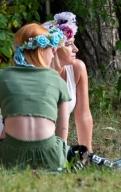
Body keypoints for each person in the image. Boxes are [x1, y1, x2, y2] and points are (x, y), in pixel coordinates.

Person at [0, 23, 70, 170]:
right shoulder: (57, 80)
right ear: (41, 50)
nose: (54, 52)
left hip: (9, 157)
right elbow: (62, 131)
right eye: (51, 48)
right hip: (51, 156)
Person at [44, 12, 93, 152]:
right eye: (69, 44)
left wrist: (87, 154)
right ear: (54, 48)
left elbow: (83, 115)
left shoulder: (77, 68)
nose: (76, 49)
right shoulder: (35, 73)